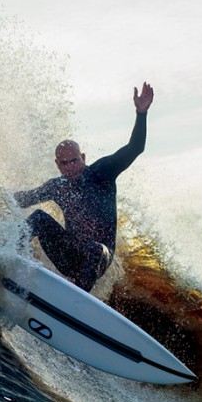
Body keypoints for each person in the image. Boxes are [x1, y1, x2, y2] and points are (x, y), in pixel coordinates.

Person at [13, 82, 154, 291]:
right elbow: (23, 199)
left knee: (95, 250)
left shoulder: (102, 173)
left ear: (83, 158)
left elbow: (135, 148)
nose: (70, 167)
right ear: (57, 165)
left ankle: (77, 298)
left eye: (74, 161)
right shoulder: (57, 186)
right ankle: (6, 256)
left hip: (98, 258)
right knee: (38, 218)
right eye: (64, 163)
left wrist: (141, 113)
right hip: (69, 256)